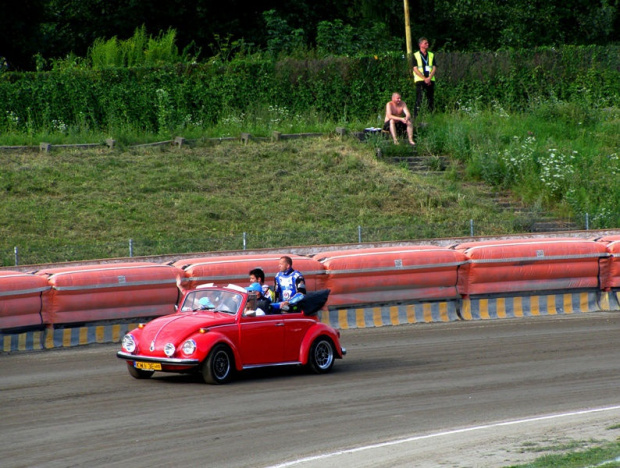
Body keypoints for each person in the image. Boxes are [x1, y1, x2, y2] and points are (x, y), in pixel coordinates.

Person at [412, 37, 436, 119]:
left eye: (427, 43)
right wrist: (424, 78)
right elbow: (415, 69)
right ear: (420, 44)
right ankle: (416, 116)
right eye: (425, 43)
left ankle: (431, 115)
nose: (427, 44)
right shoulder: (415, 55)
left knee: (430, 98)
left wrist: (429, 78)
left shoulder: (431, 55)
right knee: (419, 98)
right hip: (420, 80)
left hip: (430, 79)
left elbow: (434, 67)